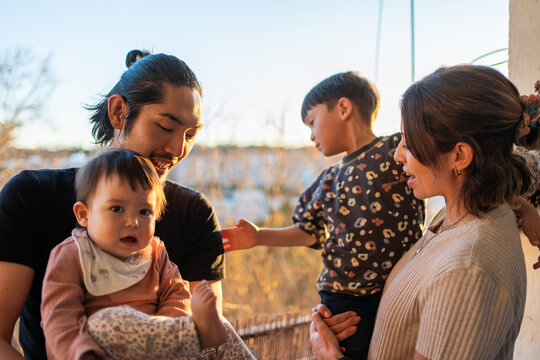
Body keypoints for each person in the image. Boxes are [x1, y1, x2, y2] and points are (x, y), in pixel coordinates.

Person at [0, 50, 225, 360]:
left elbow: (205, 337)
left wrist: (173, 333)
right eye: (166, 126)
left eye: (191, 134)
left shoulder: (194, 214)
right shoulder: (32, 197)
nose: (177, 148)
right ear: (119, 112)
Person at [309, 65, 540, 359]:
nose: (397, 154)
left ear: (459, 156)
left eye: (409, 142)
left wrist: (330, 355)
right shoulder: (459, 215)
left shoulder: (467, 270)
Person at [223, 72, 425, 359]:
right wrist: (259, 237)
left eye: (312, 121)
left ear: (343, 109)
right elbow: (309, 231)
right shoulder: (329, 180)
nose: (310, 135)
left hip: (400, 287)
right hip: (344, 297)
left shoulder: (396, 151)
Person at [41, 149, 253, 360]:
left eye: (144, 212)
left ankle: (196, 336)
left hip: (160, 351)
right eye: (117, 209)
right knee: (102, 322)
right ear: (84, 215)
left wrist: (164, 333)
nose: (133, 222)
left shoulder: (155, 253)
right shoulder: (73, 254)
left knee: (221, 328)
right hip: (96, 353)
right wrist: (80, 353)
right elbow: (58, 316)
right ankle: (196, 335)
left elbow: (177, 295)